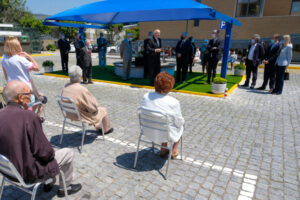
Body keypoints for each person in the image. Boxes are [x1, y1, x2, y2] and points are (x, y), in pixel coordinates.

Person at [0, 80, 82, 198]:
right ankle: (66, 187)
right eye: (29, 94)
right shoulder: (29, 117)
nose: (32, 97)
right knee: (67, 152)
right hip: (28, 173)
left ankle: (48, 182)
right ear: (21, 98)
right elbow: (46, 154)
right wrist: (35, 119)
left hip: (8, 171)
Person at [140, 72, 184, 159]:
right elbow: (179, 122)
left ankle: (163, 148)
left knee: (164, 124)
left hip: (147, 131)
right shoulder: (173, 102)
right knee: (180, 125)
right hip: (165, 133)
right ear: (170, 86)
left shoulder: (146, 96)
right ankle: (174, 150)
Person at [62, 65, 113, 134]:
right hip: (80, 116)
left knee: (87, 108)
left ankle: (98, 127)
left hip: (69, 114)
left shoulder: (65, 86)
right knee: (103, 110)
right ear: (80, 76)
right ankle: (107, 129)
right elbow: (93, 107)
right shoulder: (82, 90)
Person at [1, 37, 45, 114]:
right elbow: (37, 68)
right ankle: (34, 117)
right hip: (24, 89)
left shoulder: (4, 58)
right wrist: (29, 56)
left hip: (12, 89)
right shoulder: (20, 59)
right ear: (16, 47)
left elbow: (6, 76)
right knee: (28, 110)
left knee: (17, 111)